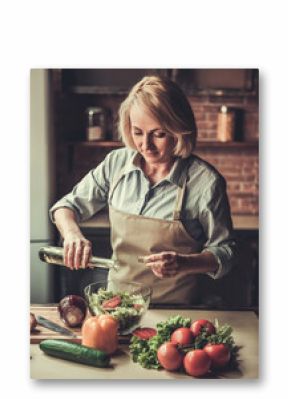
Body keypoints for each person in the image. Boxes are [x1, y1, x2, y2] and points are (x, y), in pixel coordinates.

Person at [49, 75, 237, 304]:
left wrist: (184, 263)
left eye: (158, 134)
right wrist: (72, 234)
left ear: (179, 130)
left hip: (177, 312)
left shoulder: (205, 182)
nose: (145, 145)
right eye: (138, 132)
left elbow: (226, 252)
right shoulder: (116, 164)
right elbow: (66, 207)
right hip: (118, 305)